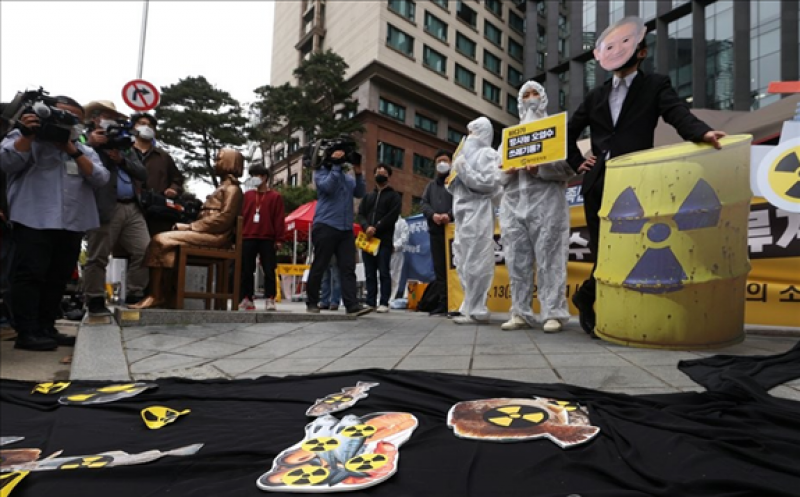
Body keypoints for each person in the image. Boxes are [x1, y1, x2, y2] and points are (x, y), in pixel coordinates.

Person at [567, 16, 726, 337]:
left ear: (640, 52)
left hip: (637, 184)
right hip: (599, 183)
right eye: (610, 47)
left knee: (635, 248)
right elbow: (567, 131)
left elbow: (678, 113)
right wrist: (577, 162)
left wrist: (704, 133)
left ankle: (587, 295)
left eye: (625, 45)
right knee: (603, 250)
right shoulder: (595, 95)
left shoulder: (655, 85)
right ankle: (599, 305)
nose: (617, 51)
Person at [0, 96, 109, 350]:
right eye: (60, 115)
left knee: (57, 278)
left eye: (73, 120)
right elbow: (5, 162)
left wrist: (72, 150)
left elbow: (100, 178)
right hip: (33, 218)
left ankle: (47, 327)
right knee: (30, 275)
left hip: (72, 222)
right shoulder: (25, 137)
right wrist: (27, 136)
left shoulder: (82, 148)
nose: (65, 123)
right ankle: (27, 331)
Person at [498, 81, 575, 333]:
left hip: (547, 204)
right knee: (516, 260)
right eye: (525, 95)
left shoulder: (555, 131)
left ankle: (552, 312)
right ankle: (520, 311)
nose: (530, 99)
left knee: (550, 258)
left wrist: (540, 168)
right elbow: (495, 175)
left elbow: (568, 168)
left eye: (534, 94)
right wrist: (507, 171)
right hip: (513, 205)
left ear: (543, 98)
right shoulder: (510, 137)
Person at [131, 149, 244, 309]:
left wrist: (190, 227)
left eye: (219, 160)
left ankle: (156, 295)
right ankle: (165, 295)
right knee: (167, 244)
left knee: (161, 240)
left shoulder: (233, 189)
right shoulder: (221, 188)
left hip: (216, 237)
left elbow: (224, 219)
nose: (215, 164)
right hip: (207, 233)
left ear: (229, 162)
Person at [81, 101, 150, 314]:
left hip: (132, 207)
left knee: (145, 249)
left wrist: (121, 159)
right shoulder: (84, 140)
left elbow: (142, 173)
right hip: (103, 205)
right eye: (107, 115)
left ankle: (134, 293)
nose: (112, 119)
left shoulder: (125, 145)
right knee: (98, 255)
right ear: (95, 118)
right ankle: (94, 299)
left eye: (114, 116)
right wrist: (93, 145)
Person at [446, 117, 501, 325]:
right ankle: (469, 302)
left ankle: (477, 305)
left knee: (478, 258)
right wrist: (454, 174)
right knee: (462, 258)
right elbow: (453, 186)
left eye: (475, 132)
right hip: (461, 213)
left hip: (478, 210)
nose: (470, 136)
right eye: (469, 131)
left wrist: (464, 170)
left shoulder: (489, 154)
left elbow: (488, 183)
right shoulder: (462, 155)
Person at [305, 149, 371, 316]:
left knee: (348, 268)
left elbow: (360, 192)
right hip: (325, 225)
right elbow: (327, 187)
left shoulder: (347, 178)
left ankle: (352, 305)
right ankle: (312, 302)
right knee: (320, 265)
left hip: (346, 229)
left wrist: (358, 171)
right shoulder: (320, 173)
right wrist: (335, 166)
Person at [239, 164, 285, 311]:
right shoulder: (247, 196)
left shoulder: (275, 197)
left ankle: (270, 298)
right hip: (247, 235)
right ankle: (247, 298)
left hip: (267, 237)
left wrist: (279, 239)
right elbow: (240, 216)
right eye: (251, 176)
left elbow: (279, 218)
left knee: (269, 269)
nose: (253, 179)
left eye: (256, 176)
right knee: (246, 269)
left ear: (264, 177)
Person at [130, 112, 185, 236]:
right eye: (142, 124)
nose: (147, 127)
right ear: (133, 127)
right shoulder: (126, 152)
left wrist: (173, 189)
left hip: (157, 211)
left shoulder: (163, 157)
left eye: (150, 126)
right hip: (130, 207)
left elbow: (177, 179)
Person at [357, 164, 402, 313]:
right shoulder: (368, 196)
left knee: (384, 271)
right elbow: (361, 214)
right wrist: (366, 227)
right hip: (368, 240)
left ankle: (384, 302)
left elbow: (392, 216)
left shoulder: (394, 196)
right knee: (369, 272)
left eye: (383, 173)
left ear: (389, 176)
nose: (380, 175)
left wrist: (376, 227)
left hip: (384, 240)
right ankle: (370, 301)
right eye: (377, 172)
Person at [389, 216, 409, 304]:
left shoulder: (402, 223)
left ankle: (391, 298)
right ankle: (379, 298)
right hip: (383, 251)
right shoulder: (384, 220)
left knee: (395, 276)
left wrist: (395, 246)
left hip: (396, 253)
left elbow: (404, 238)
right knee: (381, 275)